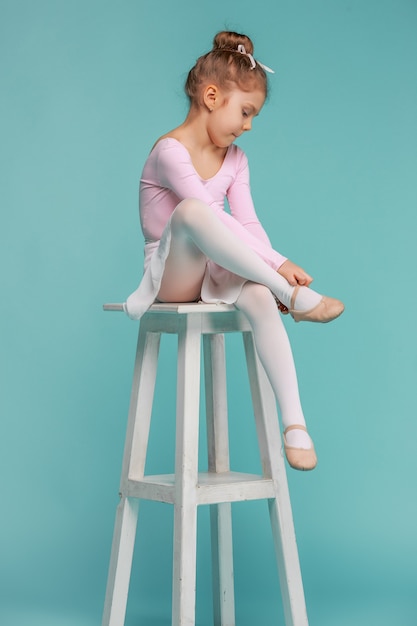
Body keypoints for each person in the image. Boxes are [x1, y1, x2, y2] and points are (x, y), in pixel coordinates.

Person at [123, 31, 344, 471]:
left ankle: (295, 425)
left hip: (219, 266)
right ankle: (292, 296)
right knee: (192, 212)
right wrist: (278, 267)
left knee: (259, 296)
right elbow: (206, 213)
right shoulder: (170, 152)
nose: (248, 126)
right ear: (211, 96)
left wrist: (274, 264)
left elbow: (245, 224)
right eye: (245, 112)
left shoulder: (237, 159)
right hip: (172, 272)